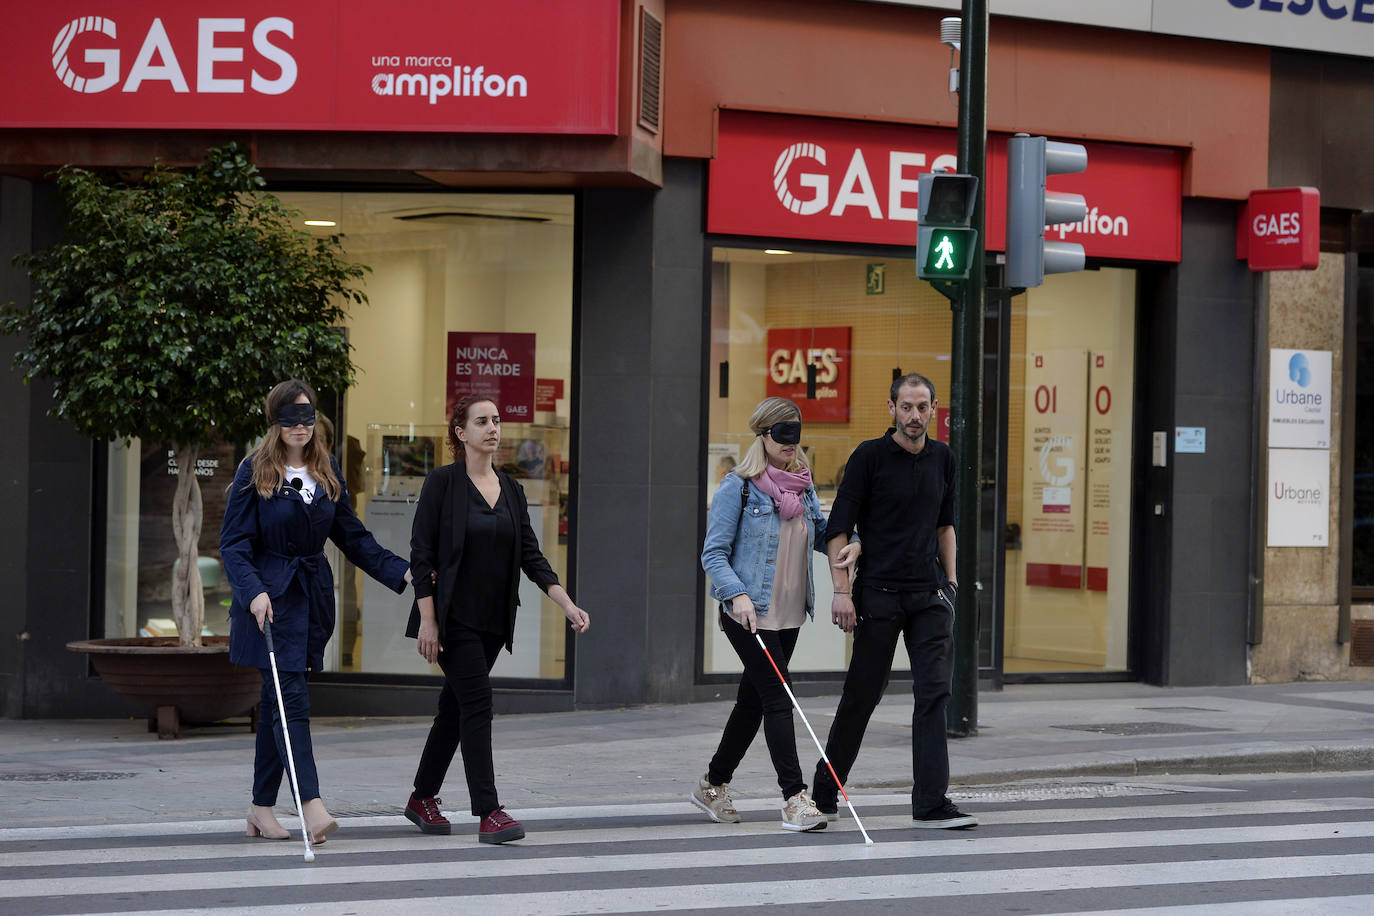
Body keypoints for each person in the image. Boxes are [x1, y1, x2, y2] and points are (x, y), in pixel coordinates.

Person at [221, 379, 411, 844]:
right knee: (292, 700)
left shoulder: (326, 471)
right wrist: (253, 592)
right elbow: (234, 544)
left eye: (307, 416)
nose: (300, 426)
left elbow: (353, 537)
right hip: (268, 605)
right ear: (275, 421)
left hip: (310, 601)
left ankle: (260, 807)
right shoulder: (253, 471)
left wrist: (404, 572)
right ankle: (311, 805)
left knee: (277, 702)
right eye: (290, 417)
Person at [403, 395, 590, 844]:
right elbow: (421, 555)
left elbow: (531, 555)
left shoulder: (511, 489)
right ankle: (489, 811)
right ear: (461, 433)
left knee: (455, 708)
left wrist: (566, 603)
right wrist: (428, 621)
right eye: (482, 421)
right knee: (478, 703)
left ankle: (421, 797)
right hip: (451, 620)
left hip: (492, 621)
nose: (492, 428)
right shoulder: (442, 484)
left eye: (496, 420)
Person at [811, 373, 977, 830]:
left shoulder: (943, 458)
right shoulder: (869, 457)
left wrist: (951, 583)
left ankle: (931, 803)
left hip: (929, 597)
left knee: (934, 695)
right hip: (879, 595)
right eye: (906, 407)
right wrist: (841, 592)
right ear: (892, 409)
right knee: (862, 695)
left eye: (923, 407)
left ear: (934, 409)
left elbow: (945, 525)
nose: (915, 415)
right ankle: (825, 789)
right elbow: (838, 529)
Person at [695, 397, 859, 832]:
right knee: (778, 698)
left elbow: (823, 535)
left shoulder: (803, 487)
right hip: (749, 615)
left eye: (796, 432)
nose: (791, 442)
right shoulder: (738, 487)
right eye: (783, 433)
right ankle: (795, 798)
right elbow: (713, 554)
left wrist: (854, 541)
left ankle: (712, 784)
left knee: (752, 703)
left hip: (789, 616)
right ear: (763, 434)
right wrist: (737, 595)